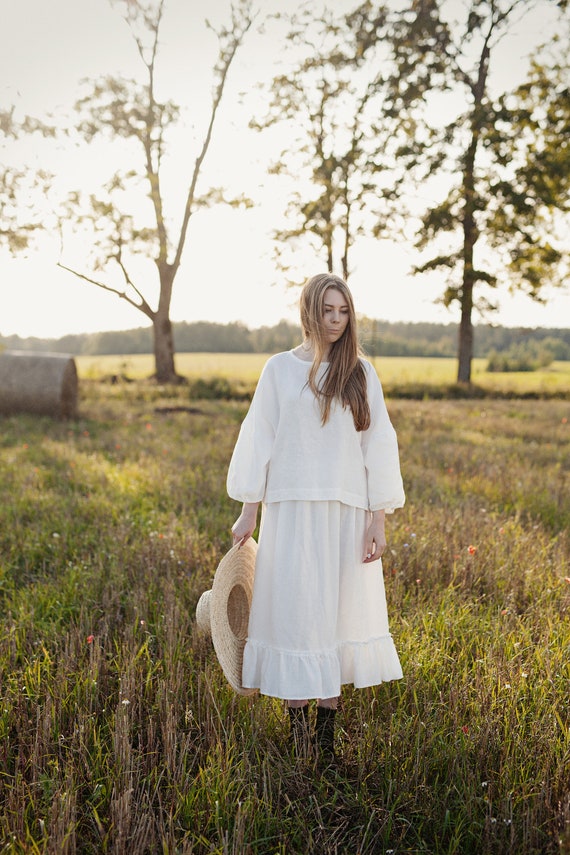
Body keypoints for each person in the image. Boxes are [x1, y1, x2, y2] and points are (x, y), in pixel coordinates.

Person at [227, 272, 405, 763]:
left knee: (335, 620)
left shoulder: (361, 373)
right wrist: (249, 511)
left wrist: (378, 520)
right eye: (327, 310)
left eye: (343, 311)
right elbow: (258, 440)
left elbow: (379, 446)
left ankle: (325, 747)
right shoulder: (278, 371)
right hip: (290, 514)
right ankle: (298, 737)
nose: (335, 320)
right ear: (309, 311)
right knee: (296, 618)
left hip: (345, 515)